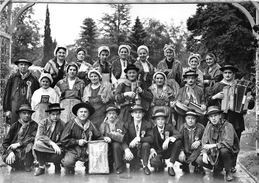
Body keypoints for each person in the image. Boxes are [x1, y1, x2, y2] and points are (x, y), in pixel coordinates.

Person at [207, 64, 254, 172]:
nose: (227, 75)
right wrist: (215, 97)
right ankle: (218, 164)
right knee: (220, 142)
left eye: (230, 73)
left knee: (235, 143)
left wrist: (250, 101)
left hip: (237, 119)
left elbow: (249, 105)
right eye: (225, 73)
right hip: (222, 119)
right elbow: (208, 100)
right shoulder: (218, 86)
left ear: (234, 74)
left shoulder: (241, 86)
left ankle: (232, 165)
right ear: (223, 74)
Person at [60, 102, 109, 174]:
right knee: (68, 163)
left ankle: (88, 166)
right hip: (73, 150)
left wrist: (104, 138)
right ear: (77, 113)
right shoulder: (71, 123)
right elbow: (63, 140)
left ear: (88, 114)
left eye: (85, 112)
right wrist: (77, 142)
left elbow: (98, 136)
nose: (83, 114)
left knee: (92, 168)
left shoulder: (91, 124)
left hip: (87, 150)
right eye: (81, 112)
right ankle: (70, 170)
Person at [196, 106, 240, 182]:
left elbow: (228, 143)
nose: (213, 118)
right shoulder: (209, 126)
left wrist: (214, 145)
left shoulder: (228, 126)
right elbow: (204, 141)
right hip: (214, 154)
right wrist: (205, 152)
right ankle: (217, 167)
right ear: (209, 118)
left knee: (224, 151)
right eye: (211, 116)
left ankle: (228, 171)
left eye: (215, 115)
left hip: (228, 154)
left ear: (220, 116)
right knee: (199, 160)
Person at [2, 104, 38, 172]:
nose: (27, 115)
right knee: (9, 159)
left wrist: (19, 144)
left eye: (29, 113)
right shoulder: (15, 125)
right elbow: (5, 142)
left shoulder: (34, 125)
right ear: (20, 114)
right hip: (16, 151)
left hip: (27, 150)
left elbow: (32, 138)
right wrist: (10, 152)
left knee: (30, 145)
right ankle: (16, 165)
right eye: (24, 113)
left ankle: (28, 164)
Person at [3, 58, 40, 125]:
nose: (23, 66)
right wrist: (7, 109)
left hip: (28, 107)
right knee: (14, 126)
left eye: (25, 65)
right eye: (21, 64)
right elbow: (7, 94)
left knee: (27, 126)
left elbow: (37, 94)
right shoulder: (13, 78)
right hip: (14, 106)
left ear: (28, 66)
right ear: (18, 66)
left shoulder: (33, 79)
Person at [33, 103, 65, 176]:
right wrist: (52, 143)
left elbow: (63, 139)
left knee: (60, 150)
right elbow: (40, 135)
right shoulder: (43, 122)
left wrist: (57, 145)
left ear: (60, 114)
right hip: (46, 146)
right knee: (37, 145)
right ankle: (41, 167)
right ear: (49, 114)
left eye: (57, 114)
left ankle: (57, 165)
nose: (55, 116)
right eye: (53, 114)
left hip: (56, 149)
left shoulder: (63, 124)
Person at [149, 109, 182, 176]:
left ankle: (170, 166)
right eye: (158, 119)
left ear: (165, 120)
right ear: (155, 121)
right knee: (154, 162)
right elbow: (150, 141)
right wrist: (152, 149)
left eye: (162, 119)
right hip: (159, 151)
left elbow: (179, 135)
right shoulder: (153, 130)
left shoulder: (169, 127)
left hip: (169, 151)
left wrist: (169, 139)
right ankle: (161, 163)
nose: (160, 121)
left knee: (178, 142)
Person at [123, 105, 153, 175]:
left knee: (146, 144)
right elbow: (123, 139)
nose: (138, 115)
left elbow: (151, 138)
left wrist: (138, 138)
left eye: (140, 112)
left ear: (143, 114)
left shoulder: (147, 124)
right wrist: (127, 150)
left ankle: (145, 166)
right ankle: (133, 162)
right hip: (131, 149)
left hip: (142, 148)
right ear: (132, 114)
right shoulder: (127, 124)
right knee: (133, 168)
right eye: (135, 112)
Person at [99, 104, 127, 174]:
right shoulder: (103, 125)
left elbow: (124, 137)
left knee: (116, 145)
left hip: (118, 145)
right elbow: (99, 136)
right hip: (106, 144)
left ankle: (119, 167)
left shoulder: (120, 124)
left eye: (113, 113)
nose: (111, 115)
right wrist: (104, 138)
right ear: (106, 115)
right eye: (109, 114)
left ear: (116, 115)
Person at [178, 109, 205, 174]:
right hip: (186, 152)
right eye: (188, 118)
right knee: (176, 150)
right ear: (185, 119)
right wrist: (181, 151)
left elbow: (206, 139)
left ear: (196, 119)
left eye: (193, 118)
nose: (190, 120)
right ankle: (185, 163)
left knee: (200, 156)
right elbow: (179, 141)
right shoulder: (182, 127)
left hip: (197, 152)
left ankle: (197, 165)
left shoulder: (201, 127)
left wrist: (199, 141)